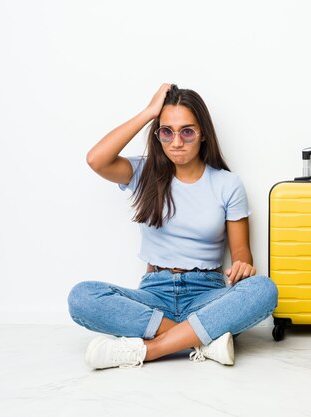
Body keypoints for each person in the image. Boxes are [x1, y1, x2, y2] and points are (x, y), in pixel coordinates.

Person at [68, 83, 278, 370]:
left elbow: (241, 250)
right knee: (82, 297)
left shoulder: (227, 184)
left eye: (187, 131)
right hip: (154, 294)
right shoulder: (143, 173)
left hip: (207, 294)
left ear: (203, 133)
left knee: (264, 289)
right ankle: (201, 340)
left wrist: (242, 265)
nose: (176, 142)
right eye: (167, 131)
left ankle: (150, 349)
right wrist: (148, 113)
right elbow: (96, 159)